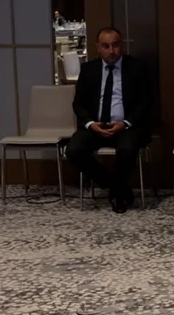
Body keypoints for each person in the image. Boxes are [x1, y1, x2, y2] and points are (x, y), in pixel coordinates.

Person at [66, 27, 154, 213]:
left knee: (127, 149)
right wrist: (91, 124)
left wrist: (126, 123)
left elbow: (146, 102)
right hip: (96, 125)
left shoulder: (136, 67)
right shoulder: (88, 69)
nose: (111, 51)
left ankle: (117, 195)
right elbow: (78, 104)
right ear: (98, 47)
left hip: (126, 126)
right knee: (73, 150)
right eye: (106, 46)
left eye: (115, 45)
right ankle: (117, 187)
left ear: (121, 45)